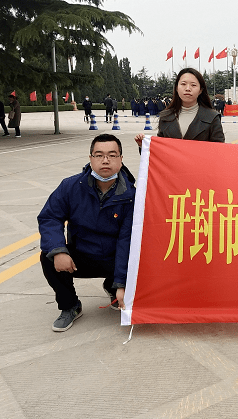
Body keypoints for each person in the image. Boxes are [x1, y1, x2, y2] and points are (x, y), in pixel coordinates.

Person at [38, 134, 135, 332]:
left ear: (121, 159)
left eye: (112, 155)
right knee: (48, 257)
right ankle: (70, 305)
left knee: (143, 258)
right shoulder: (70, 187)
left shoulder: (132, 195)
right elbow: (50, 218)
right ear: (90, 158)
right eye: (99, 155)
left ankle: (113, 286)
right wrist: (59, 251)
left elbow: (127, 239)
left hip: (114, 257)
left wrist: (122, 283)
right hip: (81, 255)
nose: (105, 160)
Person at [135, 68, 224, 148]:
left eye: (193, 85)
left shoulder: (212, 117)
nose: (188, 88)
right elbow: (160, 150)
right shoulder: (166, 117)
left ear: (200, 90)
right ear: (177, 88)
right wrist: (143, 146)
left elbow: (219, 151)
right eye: (183, 84)